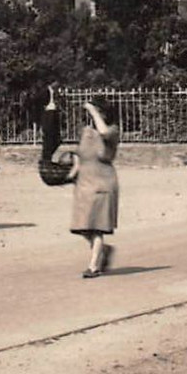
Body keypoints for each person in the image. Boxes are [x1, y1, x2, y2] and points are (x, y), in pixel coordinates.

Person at [68, 100, 120, 277]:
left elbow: (104, 132)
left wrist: (92, 110)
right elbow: (79, 153)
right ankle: (103, 251)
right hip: (84, 183)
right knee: (82, 227)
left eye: (98, 112)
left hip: (103, 183)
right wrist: (73, 171)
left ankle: (93, 266)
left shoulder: (113, 131)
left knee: (97, 226)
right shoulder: (86, 132)